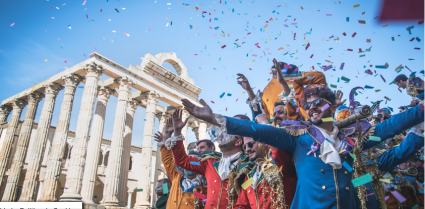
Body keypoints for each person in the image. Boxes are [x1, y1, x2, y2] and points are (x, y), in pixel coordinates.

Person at [180, 85, 424, 209]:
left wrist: (421, 110)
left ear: (332, 105)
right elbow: (257, 130)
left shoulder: (353, 138)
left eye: (318, 102)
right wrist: (216, 119)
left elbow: (391, 127)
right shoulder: (298, 137)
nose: (313, 107)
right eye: (308, 105)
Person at [165, 109, 250, 209]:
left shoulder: (249, 166)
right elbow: (182, 160)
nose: (222, 135)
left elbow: (246, 194)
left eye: (228, 134)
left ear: (238, 142)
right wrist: (177, 131)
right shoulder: (209, 162)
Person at [154, 119, 206, 209]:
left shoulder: (206, 181)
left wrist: (195, 193)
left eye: (194, 161)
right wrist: (167, 134)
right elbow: (167, 159)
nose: (190, 164)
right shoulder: (176, 177)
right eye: (187, 161)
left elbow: (207, 199)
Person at [234, 136, 297, 209]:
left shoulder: (280, 165)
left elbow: (278, 149)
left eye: (250, 144)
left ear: (265, 143)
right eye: (245, 147)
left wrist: (266, 134)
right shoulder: (249, 177)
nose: (247, 149)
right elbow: (241, 204)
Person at [261, 58, 327, 121]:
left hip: (277, 129)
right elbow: (320, 77)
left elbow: (267, 116)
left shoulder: (265, 91)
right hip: (302, 124)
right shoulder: (290, 77)